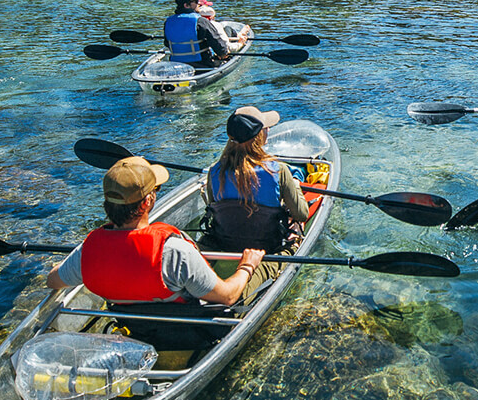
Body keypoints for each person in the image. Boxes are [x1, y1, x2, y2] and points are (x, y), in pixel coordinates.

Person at [47, 156, 264, 307]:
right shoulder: (175, 252)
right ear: (148, 201)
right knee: (265, 268)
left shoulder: (87, 252)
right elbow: (228, 296)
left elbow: (52, 281)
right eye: (156, 189)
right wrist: (247, 265)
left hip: (134, 327)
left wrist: (70, 264)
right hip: (188, 329)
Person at [204, 106, 310, 254]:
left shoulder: (214, 171)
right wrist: (295, 184)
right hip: (268, 246)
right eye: (265, 128)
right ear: (258, 136)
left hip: (226, 243)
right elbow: (302, 214)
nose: (269, 130)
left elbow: (213, 207)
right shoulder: (278, 170)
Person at [163, 0, 233, 69]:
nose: (198, 3)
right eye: (196, 1)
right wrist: (224, 54)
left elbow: (167, 43)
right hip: (202, 65)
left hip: (176, 65)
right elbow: (218, 44)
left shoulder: (168, 22)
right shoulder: (200, 21)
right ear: (186, 5)